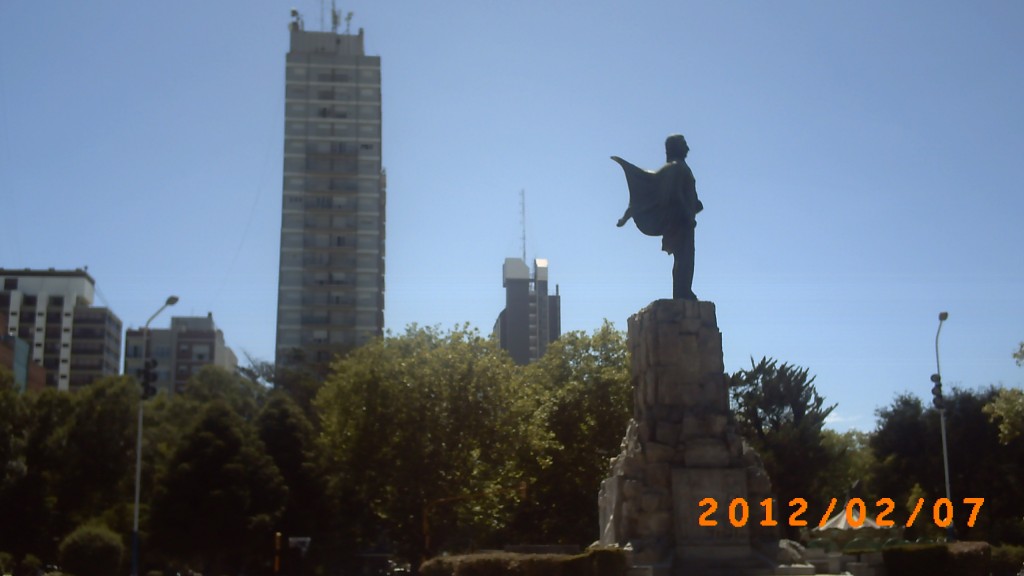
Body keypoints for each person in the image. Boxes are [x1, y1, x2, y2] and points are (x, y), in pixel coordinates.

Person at [613, 134, 703, 300]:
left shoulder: (677, 167)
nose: (688, 148)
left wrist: (694, 205)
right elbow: (674, 194)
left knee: (683, 258)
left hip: (682, 219)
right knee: (685, 258)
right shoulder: (677, 167)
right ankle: (682, 292)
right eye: (684, 144)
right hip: (681, 221)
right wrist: (687, 216)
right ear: (676, 147)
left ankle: (683, 291)